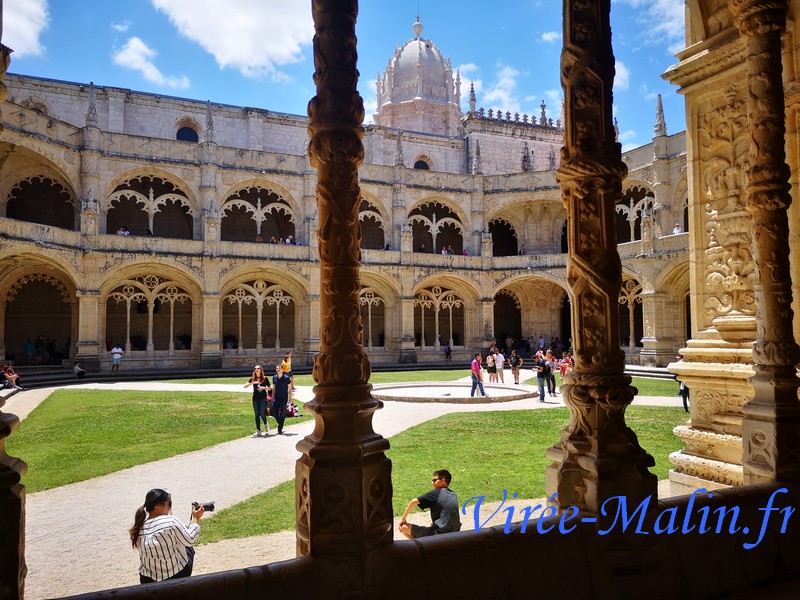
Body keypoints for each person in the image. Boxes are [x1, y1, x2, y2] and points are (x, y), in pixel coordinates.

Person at [129, 488, 204, 584]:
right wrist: (196, 518)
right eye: (169, 504)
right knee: (188, 546)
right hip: (177, 575)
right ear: (158, 506)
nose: (170, 508)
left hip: (147, 580)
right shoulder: (171, 521)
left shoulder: (138, 527)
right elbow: (190, 539)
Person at [398, 469, 462, 539]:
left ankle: (422, 548)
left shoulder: (436, 493)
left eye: (435, 480)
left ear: (443, 481)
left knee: (403, 527)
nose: (432, 482)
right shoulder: (453, 494)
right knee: (432, 524)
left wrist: (403, 518)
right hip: (455, 532)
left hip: (439, 534)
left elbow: (414, 501)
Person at [244, 365, 270, 437]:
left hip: (263, 398)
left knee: (262, 413)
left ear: (261, 370)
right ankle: (258, 430)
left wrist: (263, 388)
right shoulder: (252, 379)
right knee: (256, 414)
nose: (256, 370)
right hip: (255, 398)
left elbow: (270, 388)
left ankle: (266, 425)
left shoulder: (265, 378)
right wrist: (252, 383)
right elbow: (245, 386)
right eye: (255, 369)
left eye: (258, 368)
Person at [271, 364, 293, 434]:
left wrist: (290, 398)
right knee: (274, 412)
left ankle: (280, 427)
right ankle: (280, 422)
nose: (278, 369)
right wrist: (272, 396)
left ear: (282, 370)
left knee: (283, 412)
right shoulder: (274, 377)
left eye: (279, 368)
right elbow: (274, 387)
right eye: (277, 368)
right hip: (276, 397)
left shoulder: (286, 378)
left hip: (284, 397)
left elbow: (290, 388)